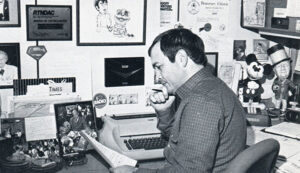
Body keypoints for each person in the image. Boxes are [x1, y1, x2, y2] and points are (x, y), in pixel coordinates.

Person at [111, 28, 247, 173]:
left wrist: (134, 172)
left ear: (181, 59)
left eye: (159, 67)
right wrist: (164, 112)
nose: (157, 77)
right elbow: (186, 143)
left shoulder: (201, 101)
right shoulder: (212, 87)